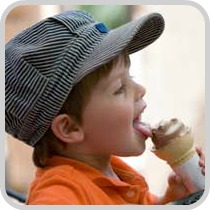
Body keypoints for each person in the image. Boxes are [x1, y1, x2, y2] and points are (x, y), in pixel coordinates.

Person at [5, 10, 205, 205]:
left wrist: (172, 199)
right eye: (120, 88)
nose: (141, 90)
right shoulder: (59, 194)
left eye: (131, 77)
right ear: (70, 128)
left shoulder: (116, 172)